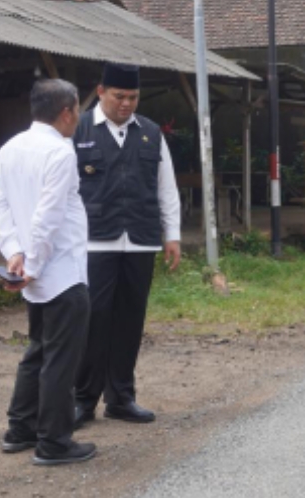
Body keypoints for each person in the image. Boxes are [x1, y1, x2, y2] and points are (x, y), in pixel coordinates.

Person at [0, 79, 96, 465]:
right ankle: (53, 442)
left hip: (32, 271)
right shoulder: (60, 152)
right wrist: (31, 265)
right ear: (66, 112)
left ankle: (20, 429)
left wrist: (15, 255)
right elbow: (48, 216)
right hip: (61, 271)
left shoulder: (9, 148)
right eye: (77, 111)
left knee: (38, 351)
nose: (77, 119)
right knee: (60, 360)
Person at [73, 63, 181, 429]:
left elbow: (166, 188)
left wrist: (173, 235)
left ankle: (121, 397)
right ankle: (82, 400)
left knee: (130, 321)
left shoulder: (150, 133)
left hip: (139, 239)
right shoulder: (79, 129)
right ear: (101, 91)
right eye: (119, 96)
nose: (126, 104)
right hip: (94, 241)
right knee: (94, 320)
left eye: (133, 97)